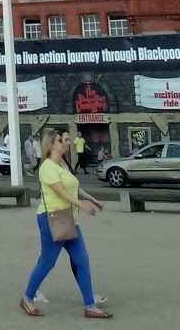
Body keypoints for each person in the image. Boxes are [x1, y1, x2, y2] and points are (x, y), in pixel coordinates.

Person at [20, 128, 111, 320]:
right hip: (51, 218)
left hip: (69, 219)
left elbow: (73, 186)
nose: (66, 142)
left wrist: (91, 198)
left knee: (82, 260)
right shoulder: (47, 167)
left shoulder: (61, 165)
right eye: (62, 140)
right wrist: (82, 205)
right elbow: (61, 192)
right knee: (47, 261)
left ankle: (90, 306)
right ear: (52, 144)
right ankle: (27, 297)